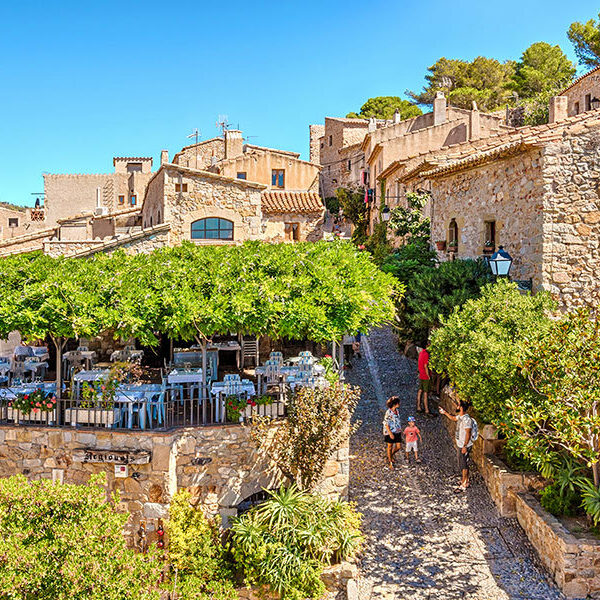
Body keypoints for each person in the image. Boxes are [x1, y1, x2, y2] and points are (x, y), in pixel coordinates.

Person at [440, 399, 474, 492]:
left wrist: (465, 446)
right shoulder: (461, 416)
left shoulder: (467, 420)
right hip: (461, 444)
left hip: (464, 445)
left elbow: (468, 433)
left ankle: (464, 484)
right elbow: (454, 418)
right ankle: (465, 481)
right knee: (463, 463)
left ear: (461, 407)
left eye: (458, 405)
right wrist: (445, 413)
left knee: (464, 464)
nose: (457, 406)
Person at [383, 396, 402, 468]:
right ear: (395, 404)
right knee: (390, 446)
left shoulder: (397, 411)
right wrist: (390, 433)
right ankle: (390, 461)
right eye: (398, 403)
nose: (399, 404)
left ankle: (390, 455)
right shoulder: (388, 413)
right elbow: (386, 424)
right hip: (389, 431)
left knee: (398, 446)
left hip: (397, 431)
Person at [417, 341, 432, 416]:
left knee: (420, 390)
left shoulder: (421, 353)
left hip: (421, 374)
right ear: (427, 346)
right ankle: (426, 410)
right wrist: (428, 375)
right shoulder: (426, 354)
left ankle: (418, 406)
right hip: (425, 376)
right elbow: (426, 366)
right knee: (426, 392)